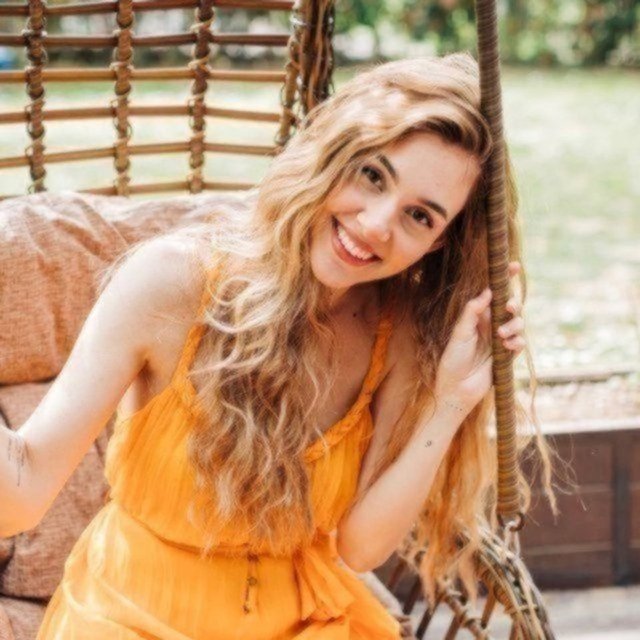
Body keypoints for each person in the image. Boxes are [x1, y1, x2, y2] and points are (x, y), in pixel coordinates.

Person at [1, 52, 547, 639]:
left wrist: (450, 401)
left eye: (419, 216)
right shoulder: (170, 283)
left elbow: (361, 548)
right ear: (334, 152)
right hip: (132, 617)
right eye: (372, 175)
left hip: (306, 621)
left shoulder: (398, 332)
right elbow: (22, 492)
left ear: (437, 244)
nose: (375, 225)